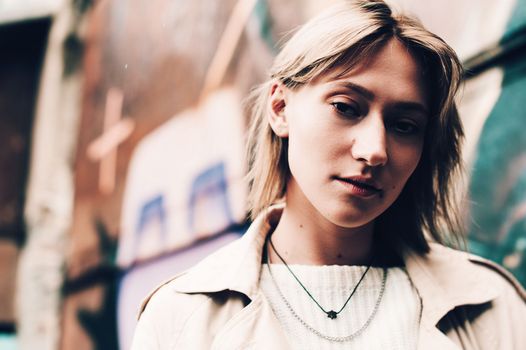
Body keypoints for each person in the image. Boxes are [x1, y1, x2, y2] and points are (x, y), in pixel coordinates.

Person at [131, 1, 526, 349]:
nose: (374, 149)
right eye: (346, 107)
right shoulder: (182, 317)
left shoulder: (492, 306)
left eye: (405, 125)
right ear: (280, 108)